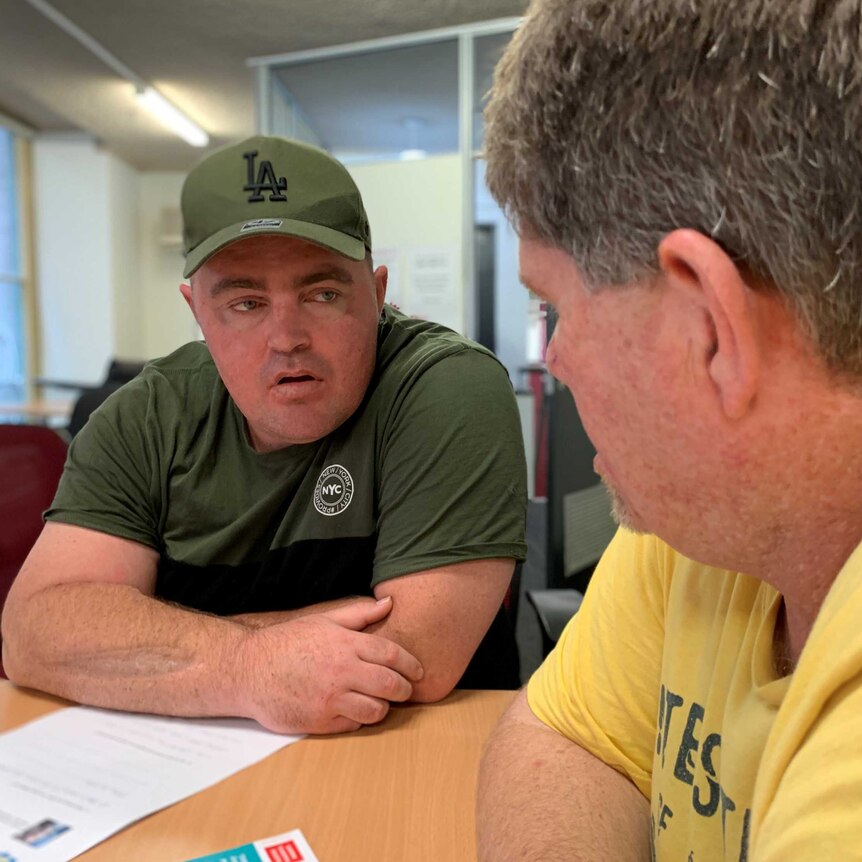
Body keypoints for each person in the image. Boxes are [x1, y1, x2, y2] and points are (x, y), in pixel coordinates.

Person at [475, 1, 862, 860]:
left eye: (554, 307)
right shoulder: (710, 511)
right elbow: (565, 739)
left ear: (709, 330)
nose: (557, 360)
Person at [1, 136, 527, 735]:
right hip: (192, 770)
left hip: (406, 758)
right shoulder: (144, 416)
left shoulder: (445, 387)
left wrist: (143, 640)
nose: (286, 337)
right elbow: (34, 632)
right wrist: (246, 665)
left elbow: (414, 658)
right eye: (246, 303)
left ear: (378, 295)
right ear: (196, 311)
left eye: (322, 294)